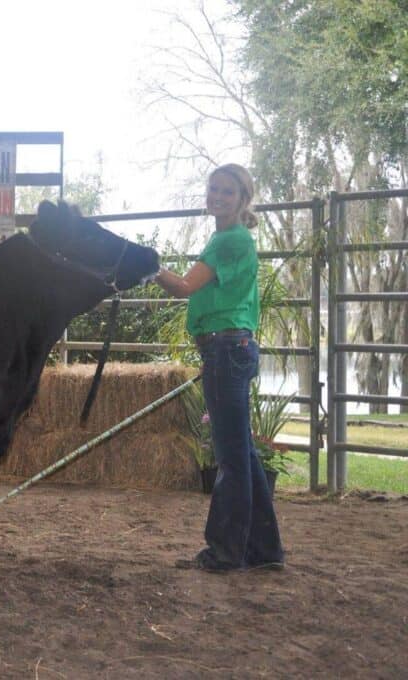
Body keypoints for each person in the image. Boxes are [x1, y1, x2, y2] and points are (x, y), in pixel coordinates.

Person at [154, 163, 284, 572]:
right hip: (233, 347)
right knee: (241, 451)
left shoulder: (230, 241)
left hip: (225, 348)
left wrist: (146, 266)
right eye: (213, 189)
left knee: (231, 457)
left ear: (243, 199)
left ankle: (226, 553)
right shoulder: (229, 238)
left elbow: (185, 286)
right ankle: (264, 552)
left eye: (227, 191)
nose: (217, 197)